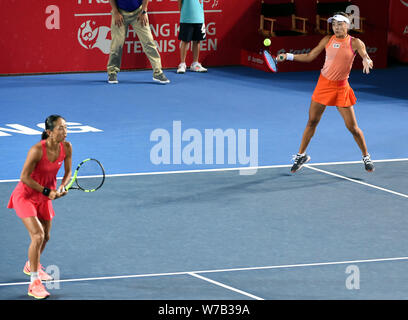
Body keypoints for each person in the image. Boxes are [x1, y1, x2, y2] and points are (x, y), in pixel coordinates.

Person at [278, 12, 375, 173]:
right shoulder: (327, 39)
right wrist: (288, 56)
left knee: (352, 127)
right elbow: (310, 56)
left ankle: (366, 156)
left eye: (340, 24)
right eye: (334, 24)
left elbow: (365, 55)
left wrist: (366, 59)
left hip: (341, 88)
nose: (336, 27)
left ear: (347, 25)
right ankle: (301, 155)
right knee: (312, 121)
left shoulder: (356, 42)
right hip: (323, 85)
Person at [7, 115, 72, 299]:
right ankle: (34, 284)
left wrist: (62, 186)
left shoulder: (67, 147)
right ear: (49, 132)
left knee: (46, 237)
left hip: (45, 196)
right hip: (26, 195)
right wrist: (46, 191)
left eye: (66, 127)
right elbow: (24, 177)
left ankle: (31, 265)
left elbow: (67, 172)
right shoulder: (36, 150)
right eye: (60, 128)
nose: (65, 131)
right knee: (38, 235)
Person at [107, 0, 170, 84]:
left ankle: (158, 72)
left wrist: (144, 11)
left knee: (149, 42)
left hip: (139, 12)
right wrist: (115, 12)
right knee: (116, 45)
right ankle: (112, 72)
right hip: (120, 12)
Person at [177, 0, 208, 74]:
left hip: (199, 17)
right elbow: (179, 2)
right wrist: (183, 13)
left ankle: (195, 64)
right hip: (186, 18)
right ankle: (182, 64)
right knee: (185, 41)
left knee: (197, 41)